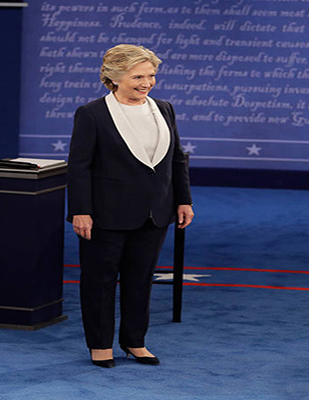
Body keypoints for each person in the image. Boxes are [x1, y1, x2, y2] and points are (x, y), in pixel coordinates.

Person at [67, 44, 194, 368]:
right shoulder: (92, 113)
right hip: (105, 214)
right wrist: (80, 210)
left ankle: (135, 341)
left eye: (151, 75)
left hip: (155, 213)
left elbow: (176, 158)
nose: (147, 82)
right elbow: (79, 167)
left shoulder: (164, 108)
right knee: (100, 282)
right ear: (114, 77)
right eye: (138, 76)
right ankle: (100, 345)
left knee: (140, 281)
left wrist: (183, 200)